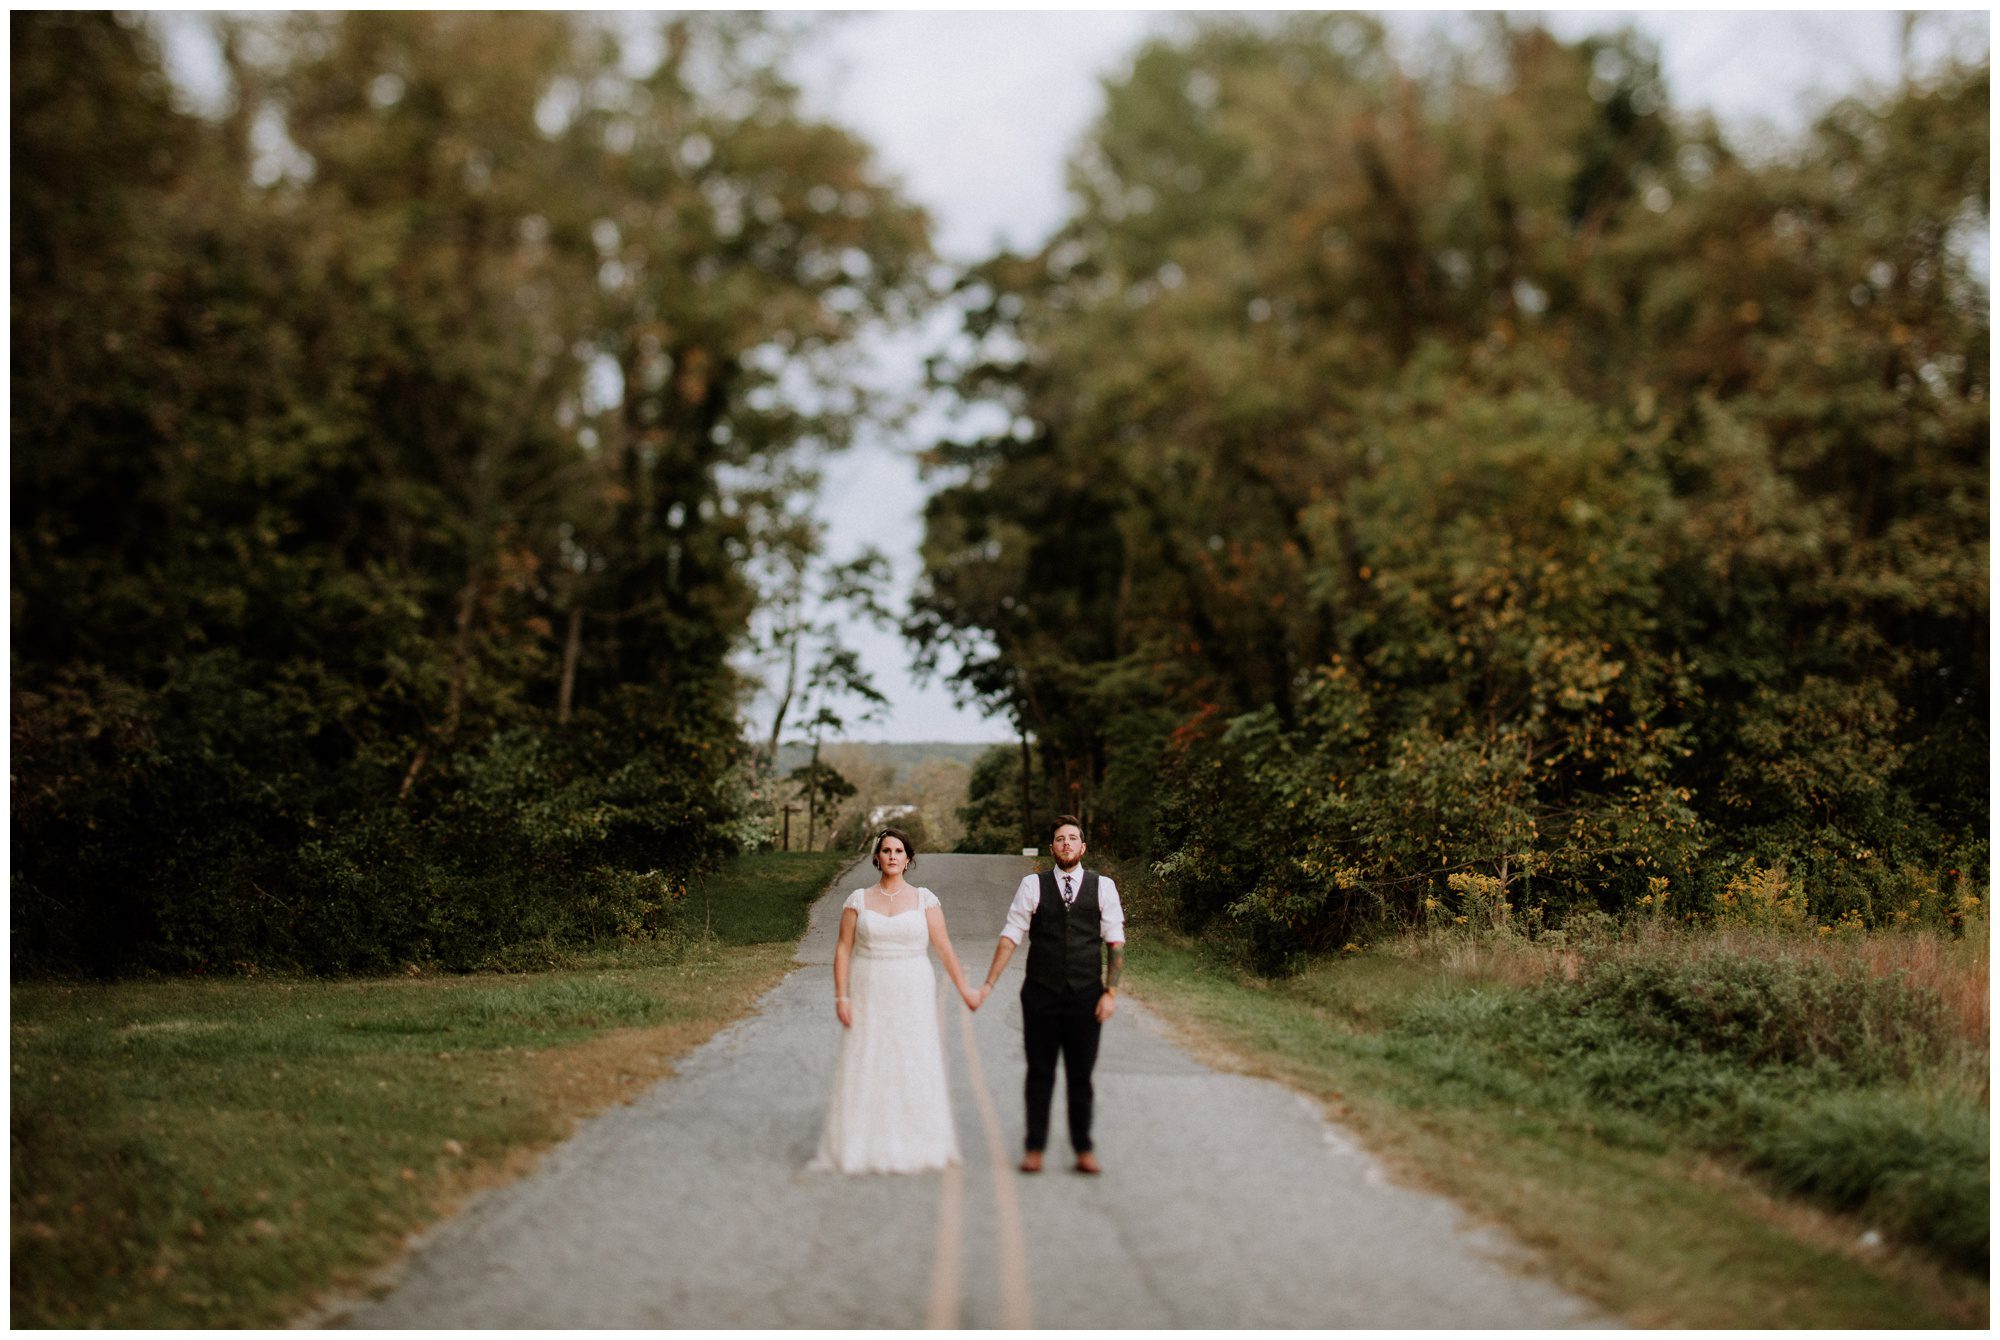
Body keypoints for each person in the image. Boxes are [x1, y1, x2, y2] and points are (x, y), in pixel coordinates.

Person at [811, 827, 983, 1174]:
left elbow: (944, 946)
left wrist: (965, 988)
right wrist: (841, 995)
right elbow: (843, 949)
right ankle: (862, 1140)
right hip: (869, 983)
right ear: (877, 858)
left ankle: (918, 1139)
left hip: (912, 985)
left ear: (908, 859)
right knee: (870, 1054)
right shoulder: (857, 900)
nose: (892, 856)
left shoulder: (925, 900)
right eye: (886, 850)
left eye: (899, 851)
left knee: (911, 1055)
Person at [975, 814, 1124, 1175]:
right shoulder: (1032, 885)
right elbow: (1011, 936)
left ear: (1083, 847)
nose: (1067, 844)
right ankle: (1035, 1147)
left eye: (1073, 838)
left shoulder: (1102, 886)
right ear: (1052, 847)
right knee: (1040, 1072)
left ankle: (1083, 1148)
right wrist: (989, 983)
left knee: (1080, 1074)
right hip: (1040, 993)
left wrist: (1110, 992)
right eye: (1060, 839)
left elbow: (1115, 943)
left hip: (1086, 994)